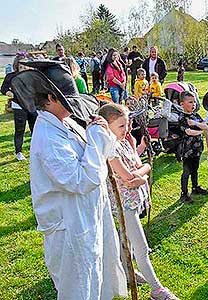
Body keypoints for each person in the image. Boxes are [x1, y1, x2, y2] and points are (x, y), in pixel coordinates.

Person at [10, 59, 127, 299]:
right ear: (51, 98)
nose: (73, 108)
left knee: (96, 280)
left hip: (86, 220)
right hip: (70, 231)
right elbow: (81, 179)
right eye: (67, 101)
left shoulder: (67, 123)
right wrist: (96, 136)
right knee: (78, 290)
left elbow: (101, 152)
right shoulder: (48, 137)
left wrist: (104, 133)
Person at [99, 103, 179, 300]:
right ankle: (157, 290)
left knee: (127, 241)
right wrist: (139, 174)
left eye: (127, 124)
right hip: (123, 205)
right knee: (141, 248)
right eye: (121, 126)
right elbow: (128, 177)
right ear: (105, 127)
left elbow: (142, 165)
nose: (126, 129)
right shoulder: (109, 150)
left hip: (134, 200)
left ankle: (127, 271)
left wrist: (140, 174)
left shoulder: (125, 142)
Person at [0, 53, 38, 161]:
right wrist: (12, 95)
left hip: (32, 106)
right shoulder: (11, 76)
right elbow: (3, 89)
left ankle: (36, 149)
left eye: (26, 65)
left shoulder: (32, 75)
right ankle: (19, 152)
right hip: (18, 107)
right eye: (21, 65)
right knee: (20, 130)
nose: (24, 67)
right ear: (17, 65)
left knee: (35, 129)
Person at [178, 91, 208, 203]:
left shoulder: (195, 115)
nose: (193, 104)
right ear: (182, 104)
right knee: (186, 171)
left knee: (195, 169)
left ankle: (195, 187)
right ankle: (184, 193)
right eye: (190, 102)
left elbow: (206, 126)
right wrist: (201, 131)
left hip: (197, 148)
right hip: (187, 149)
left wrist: (196, 124)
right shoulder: (182, 117)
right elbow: (188, 132)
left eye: (194, 102)